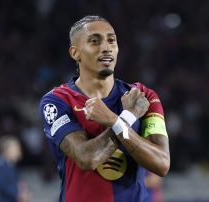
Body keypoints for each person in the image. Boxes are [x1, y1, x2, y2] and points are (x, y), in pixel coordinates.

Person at [39, 15, 170, 202]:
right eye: (94, 41)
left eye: (111, 40)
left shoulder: (143, 96)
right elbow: (87, 158)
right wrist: (126, 118)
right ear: (75, 53)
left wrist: (115, 121)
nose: (106, 47)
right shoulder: (56, 101)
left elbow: (162, 164)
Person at [0, 135, 30, 202]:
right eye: (16, 147)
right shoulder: (1, 166)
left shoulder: (11, 166)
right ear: (7, 150)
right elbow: (1, 184)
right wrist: (18, 195)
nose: (19, 150)